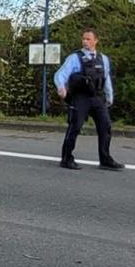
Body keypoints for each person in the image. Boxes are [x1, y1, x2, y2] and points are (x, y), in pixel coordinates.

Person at [53, 29, 124, 171]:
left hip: (96, 97)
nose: (85, 42)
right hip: (80, 97)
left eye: (88, 39)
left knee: (105, 127)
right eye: (84, 39)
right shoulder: (75, 57)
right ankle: (66, 158)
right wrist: (61, 87)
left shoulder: (103, 59)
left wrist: (109, 95)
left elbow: (106, 78)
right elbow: (60, 74)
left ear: (96, 41)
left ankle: (105, 160)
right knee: (75, 127)